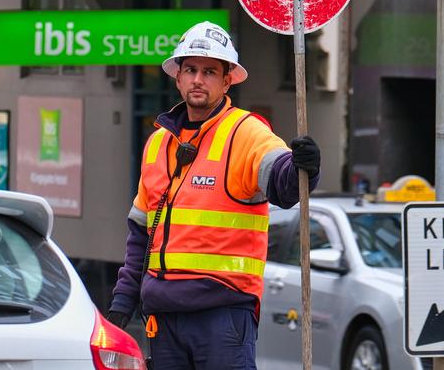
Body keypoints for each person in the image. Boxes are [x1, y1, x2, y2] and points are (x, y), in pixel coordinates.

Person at [108, 21, 321, 370]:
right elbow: (139, 240)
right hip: (163, 319)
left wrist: (305, 167)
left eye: (209, 71)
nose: (197, 79)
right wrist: (120, 307)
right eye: (190, 69)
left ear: (227, 80)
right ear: (177, 77)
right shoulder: (158, 144)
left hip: (223, 315)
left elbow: (284, 183)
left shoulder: (245, 132)